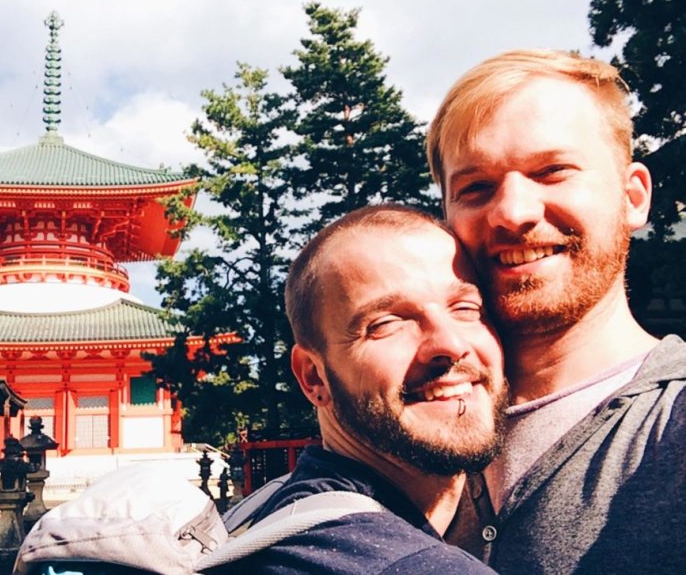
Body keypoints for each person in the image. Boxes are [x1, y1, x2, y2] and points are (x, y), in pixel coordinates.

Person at [427, 49, 686, 574]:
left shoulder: (671, 424)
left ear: (633, 197)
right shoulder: (403, 435)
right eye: (476, 188)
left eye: (552, 171)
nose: (512, 213)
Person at [210, 204, 508, 573]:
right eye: (386, 323)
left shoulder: (269, 513)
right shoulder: (412, 566)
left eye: (465, 308)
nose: (449, 343)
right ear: (313, 377)